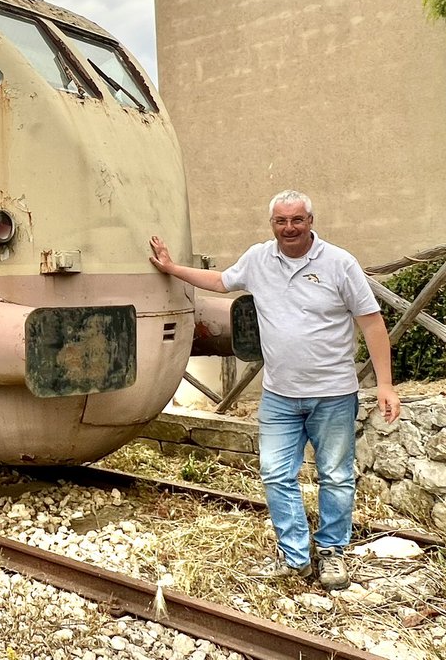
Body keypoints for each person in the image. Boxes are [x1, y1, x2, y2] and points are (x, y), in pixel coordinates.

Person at [149, 190, 401, 591]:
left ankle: (332, 553)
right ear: (272, 224)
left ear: (311, 221)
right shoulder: (258, 259)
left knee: (335, 475)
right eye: (281, 221)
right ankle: (295, 556)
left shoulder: (340, 263)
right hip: (280, 395)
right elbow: (219, 280)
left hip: (333, 393)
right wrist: (172, 267)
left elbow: (371, 323)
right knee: (275, 473)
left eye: (297, 220)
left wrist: (385, 385)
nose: (289, 228)